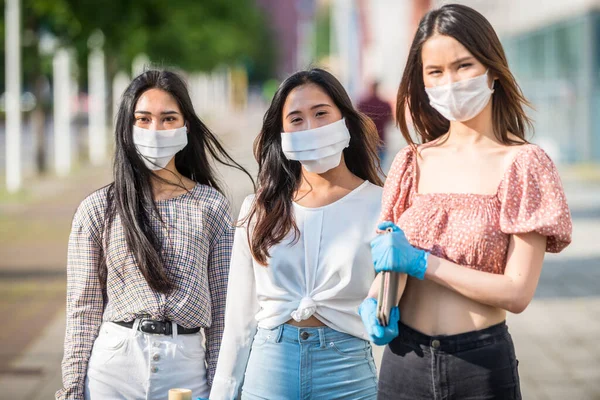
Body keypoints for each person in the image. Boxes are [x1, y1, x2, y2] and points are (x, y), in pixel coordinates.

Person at [359, 4, 573, 400]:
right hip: (403, 361)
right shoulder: (411, 162)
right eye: (435, 72)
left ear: (492, 68)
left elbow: (517, 292)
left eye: (463, 66)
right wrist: (374, 302)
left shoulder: (524, 164)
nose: (450, 82)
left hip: (479, 368)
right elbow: (392, 260)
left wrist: (426, 263)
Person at [56, 70, 252, 400]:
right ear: (127, 128)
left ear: (186, 125)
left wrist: (223, 386)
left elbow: (224, 313)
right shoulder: (98, 208)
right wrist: (72, 389)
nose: (155, 130)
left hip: (184, 369)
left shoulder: (211, 206)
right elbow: (83, 310)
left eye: (168, 118)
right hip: (113, 367)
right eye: (143, 119)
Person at [210, 68, 383, 400]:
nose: (311, 128)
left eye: (321, 114)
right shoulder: (258, 209)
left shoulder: (381, 204)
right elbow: (239, 321)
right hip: (270, 368)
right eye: (297, 119)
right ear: (282, 134)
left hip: (347, 372)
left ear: (344, 119)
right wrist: (223, 392)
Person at [357, 81, 393, 162]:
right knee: (380, 166)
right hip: (381, 138)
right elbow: (390, 120)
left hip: (366, 139)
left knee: (368, 166)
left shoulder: (363, 103)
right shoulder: (385, 104)